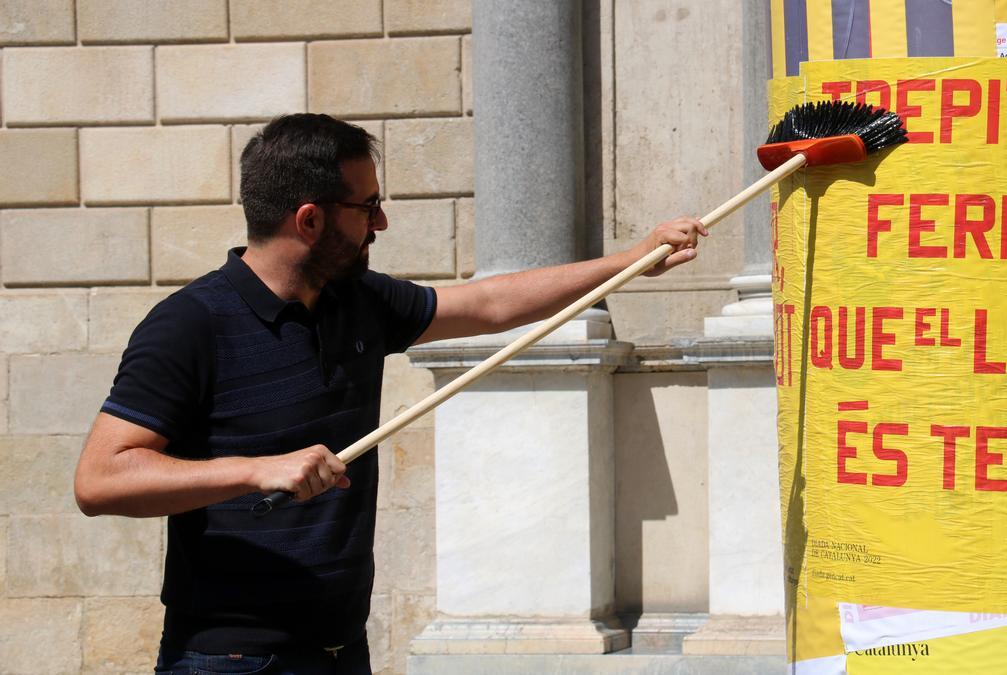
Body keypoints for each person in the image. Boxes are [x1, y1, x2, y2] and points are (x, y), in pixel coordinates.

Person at [72, 113, 707, 673]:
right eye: (366, 205)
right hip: (231, 657)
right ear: (310, 219)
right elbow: (101, 480)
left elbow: (487, 305)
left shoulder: (359, 301)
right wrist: (259, 470)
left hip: (341, 648)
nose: (381, 220)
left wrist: (629, 261)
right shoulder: (190, 323)